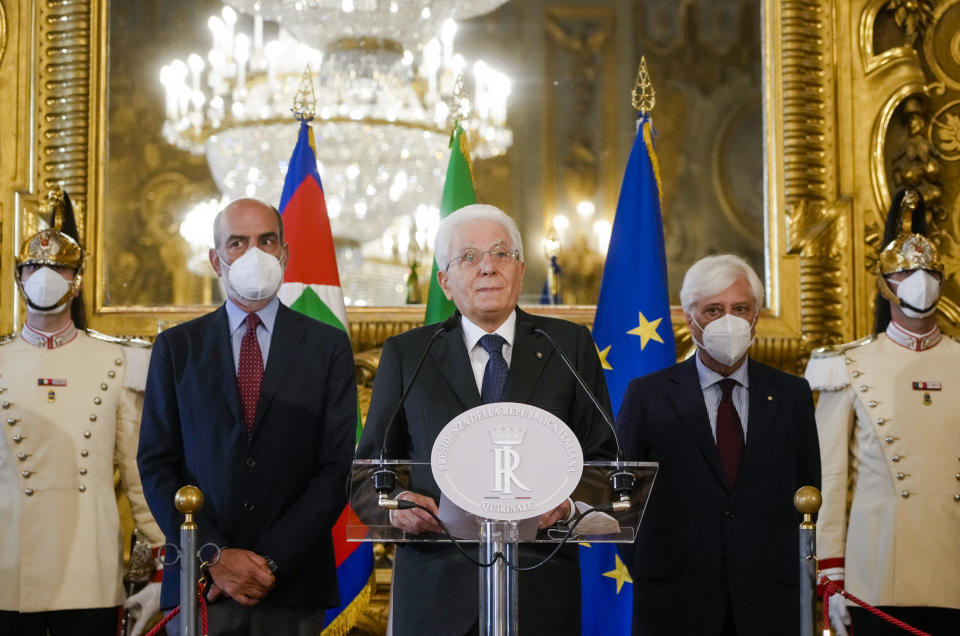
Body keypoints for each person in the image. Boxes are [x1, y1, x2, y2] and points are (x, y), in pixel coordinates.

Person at [355, 204, 616, 635]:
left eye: (501, 253)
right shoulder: (408, 353)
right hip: (436, 594)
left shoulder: (568, 346)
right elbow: (367, 478)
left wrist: (568, 505)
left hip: (540, 589)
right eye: (470, 258)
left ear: (520, 269)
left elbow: (605, 463)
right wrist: (395, 507)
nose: (488, 268)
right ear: (446, 281)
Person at [137, 198, 357, 635]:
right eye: (237, 243)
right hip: (202, 584)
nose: (253, 254)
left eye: (266, 240)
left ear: (285, 253)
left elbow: (336, 470)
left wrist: (270, 561)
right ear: (216, 259)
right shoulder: (177, 348)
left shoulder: (327, 346)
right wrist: (216, 555)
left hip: (293, 584)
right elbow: (158, 465)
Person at [616, 253, 821, 636]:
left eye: (740, 308)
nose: (729, 320)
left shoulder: (792, 395)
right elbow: (621, 502)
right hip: (674, 603)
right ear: (689, 318)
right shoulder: (648, 395)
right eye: (713, 310)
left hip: (769, 602)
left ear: (756, 316)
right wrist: (655, 566)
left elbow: (809, 492)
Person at [0, 188, 164, 636]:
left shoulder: (118, 362)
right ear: (18, 276)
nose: (44, 276)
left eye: (58, 267)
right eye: (33, 266)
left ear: (76, 278)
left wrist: (166, 559)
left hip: (88, 569)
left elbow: (138, 475)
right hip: (7, 566)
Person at [805, 189, 960, 635]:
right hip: (876, 578)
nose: (920, 280)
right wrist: (831, 576)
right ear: (885, 282)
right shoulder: (847, 364)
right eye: (907, 271)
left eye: (929, 270)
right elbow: (830, 480)